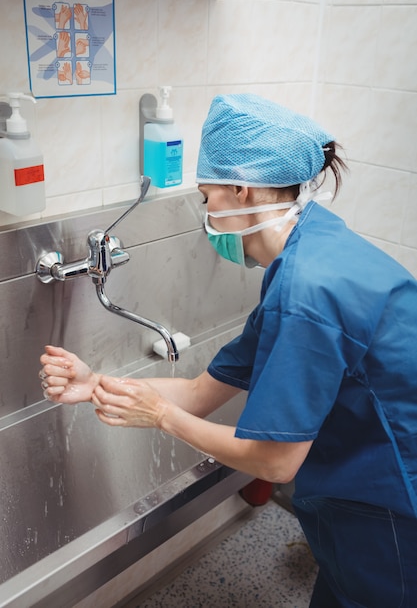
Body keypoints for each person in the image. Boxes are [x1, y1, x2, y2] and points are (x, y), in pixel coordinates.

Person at [40, 94, 417, 607]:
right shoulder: (310, 250)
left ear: (241, 190)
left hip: (392, 501)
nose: (206, 212)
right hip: (363, 483)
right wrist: (93, 384)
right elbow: (199, 392)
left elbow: (275, 463)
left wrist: (162, 419)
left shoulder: (306, 291)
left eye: (206, 196)